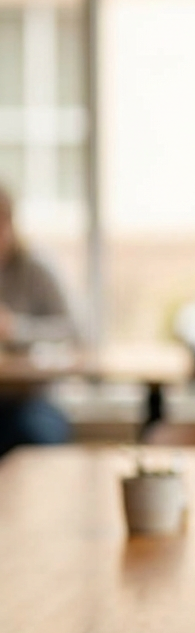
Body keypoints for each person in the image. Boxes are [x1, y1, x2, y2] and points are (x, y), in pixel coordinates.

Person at [0, 187, 74, 455]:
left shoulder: (35, 270)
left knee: (35, 433)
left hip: (30, 400)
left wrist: (15, 328)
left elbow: (71, 330)